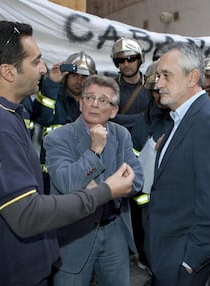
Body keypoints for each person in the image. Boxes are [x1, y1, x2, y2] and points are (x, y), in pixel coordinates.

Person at [0, 20, 135, 286]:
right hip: (6, 273)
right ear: (8, 72)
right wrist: (105, 191)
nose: (44, 69)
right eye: (36, 62)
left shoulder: (5, 113)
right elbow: (27, 214)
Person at [145, 41, 210, 286]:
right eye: (157, 76)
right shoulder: (177, 119)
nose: (158, 83)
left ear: (192, 77)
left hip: (184, 263)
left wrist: (191, 262)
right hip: (165, 254)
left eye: (166, 75)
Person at [43, 75, 144, 286]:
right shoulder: (58, 138)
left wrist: (96, 189)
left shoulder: (121, 134)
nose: (95, 104)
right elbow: (67, 183)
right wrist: (95, 150)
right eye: (89, 98)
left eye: (103, 100)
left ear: (114, 110)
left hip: (114, 229)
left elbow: (137, 180)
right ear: (80, 103)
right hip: (73, 234)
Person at [33, 51, 97, 193]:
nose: (79, 81)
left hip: (86, 172)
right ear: (66, 76)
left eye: (84, 77)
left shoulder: (96, 103)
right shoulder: (53, 96)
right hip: (52, 175)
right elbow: (42, 118)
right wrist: (52, 83)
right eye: (74, 75)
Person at [130, 60, 173, 273]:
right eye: (154, 91)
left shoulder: (181, 118)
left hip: (173, 205)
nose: (158, 95)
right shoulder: (143, 121)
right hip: (146, 205)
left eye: (161, 89)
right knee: (150, 251)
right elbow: (134, 162)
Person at [110, 37, 150, 131]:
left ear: (139, 60)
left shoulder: (151, 86)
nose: (126, 64)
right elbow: (108, 116)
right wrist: (143, 117)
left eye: (130, 59)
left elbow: (155, 116)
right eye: (121, 60)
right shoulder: (110, 87)